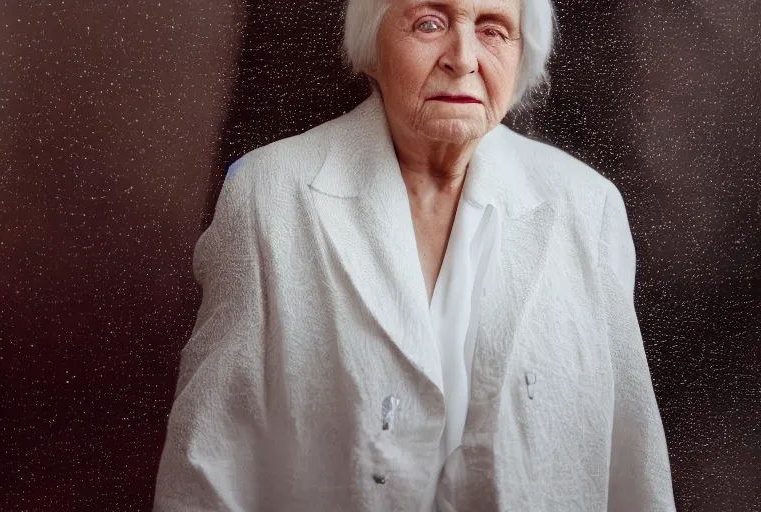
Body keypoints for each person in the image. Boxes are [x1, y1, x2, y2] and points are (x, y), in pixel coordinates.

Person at [153, 0, 676, 510]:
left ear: (521, 55)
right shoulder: (268, 194)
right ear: (372, 47)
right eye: (429, 23)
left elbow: (633, 459)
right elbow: (206, 467)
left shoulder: (589, 207)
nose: (463, 57)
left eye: (493, 29)